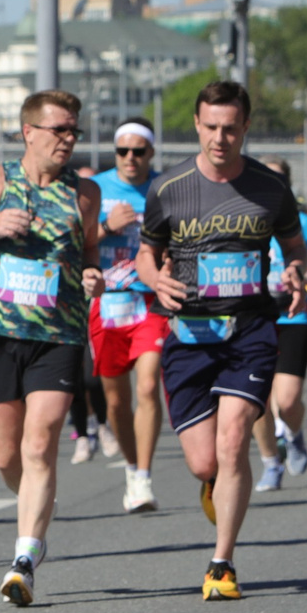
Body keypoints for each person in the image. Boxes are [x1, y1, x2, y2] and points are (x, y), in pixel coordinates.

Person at [136, 82, 307, 601]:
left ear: (245, 128)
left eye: (230, 128)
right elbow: (147, 253)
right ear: (196, 125)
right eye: (211, 127)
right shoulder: (168, 188)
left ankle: (221, 562)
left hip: (250, 329)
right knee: (204, 463)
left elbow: (296, 249)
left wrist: (297, 275)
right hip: (189, 334)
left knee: (234, 440)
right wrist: (154, 280)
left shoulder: (270, 188)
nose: (220, 138)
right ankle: (214, 484)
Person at [0, 90, 102, 606]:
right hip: (2, 333)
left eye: (73, 130)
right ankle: (33, 504)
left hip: (60, 333)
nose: (68, 140)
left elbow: (90, 254)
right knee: (8, 454)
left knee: (41, 440)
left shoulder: (86, 191)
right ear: (29, 132)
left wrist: (93, 275)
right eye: (59, 130)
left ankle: (25, 557)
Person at [91, 120, 169, 515]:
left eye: (139, 151)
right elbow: (74, 240)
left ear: (150, 154)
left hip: (150, 301)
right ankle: (130, 465)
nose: (131, 159)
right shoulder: (95, 189)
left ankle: (143, 476)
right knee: (116, 401)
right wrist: (108, 226)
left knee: (147, 385)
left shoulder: (164, 188)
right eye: (123, 151)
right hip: (106, 303)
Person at [253, 182, 307, 491]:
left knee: (286, 401)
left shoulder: (304, 224)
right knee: (258, 399)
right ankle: (271, 463)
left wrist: (305, 277)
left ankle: (293, 434)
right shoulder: (242, 222)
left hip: (292, 315)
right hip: (254, 316)